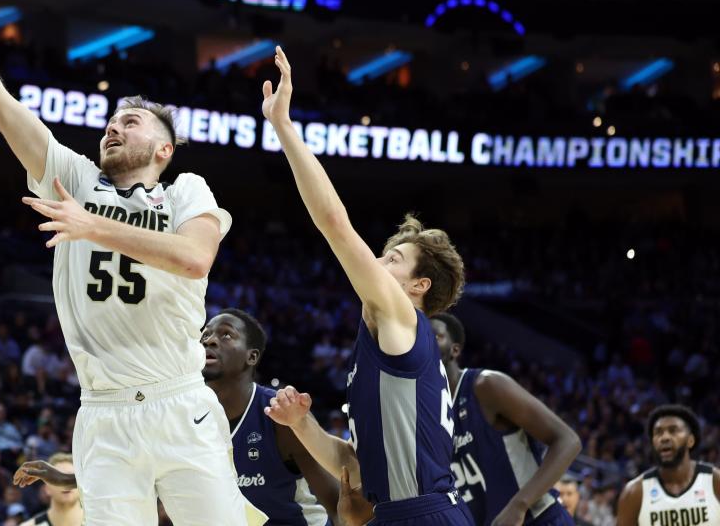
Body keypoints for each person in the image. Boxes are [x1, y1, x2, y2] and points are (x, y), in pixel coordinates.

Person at [0, 0, 249, 526]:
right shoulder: (75, 177)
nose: (114, 124)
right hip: (103, 412)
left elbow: (193, 259)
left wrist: (91, 225)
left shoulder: (186, 189)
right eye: (111, 119)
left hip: (181, 400)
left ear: (163, 149)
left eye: (131, 121)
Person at [259, 46, 470, 526]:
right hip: (399, 513)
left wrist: (284, 127)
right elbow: (352, 465)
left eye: (392, 259)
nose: (375, 263)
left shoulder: (401, 316)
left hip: (424, 515)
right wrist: (300, 424)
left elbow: (334, 223)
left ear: (417, 285)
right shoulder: (383, 340)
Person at [432, 313, 580, 526]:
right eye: (421, 338)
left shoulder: (486, 386)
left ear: (455, 349)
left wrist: (519, 504)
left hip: (539, 519)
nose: (427, 344)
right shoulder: (427, 413)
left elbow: (568, 441)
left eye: (435, 336)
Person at [202, 308, 339, 525]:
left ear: (252, 356)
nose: (209, 341)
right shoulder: (188, 415)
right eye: (205, 335)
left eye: (226, 334)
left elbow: (338, 505)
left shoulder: (281, 414)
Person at [615, 405, 719, 526]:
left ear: (690, 440)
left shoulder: (715, 482)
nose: (664, 438)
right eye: (658, 433)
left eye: (673, 430)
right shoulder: (634, 493)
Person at [15, 453, 84, 526]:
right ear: (46, 488)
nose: (64, 484)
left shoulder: (96, 521)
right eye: (58, 479)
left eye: (70, 478)